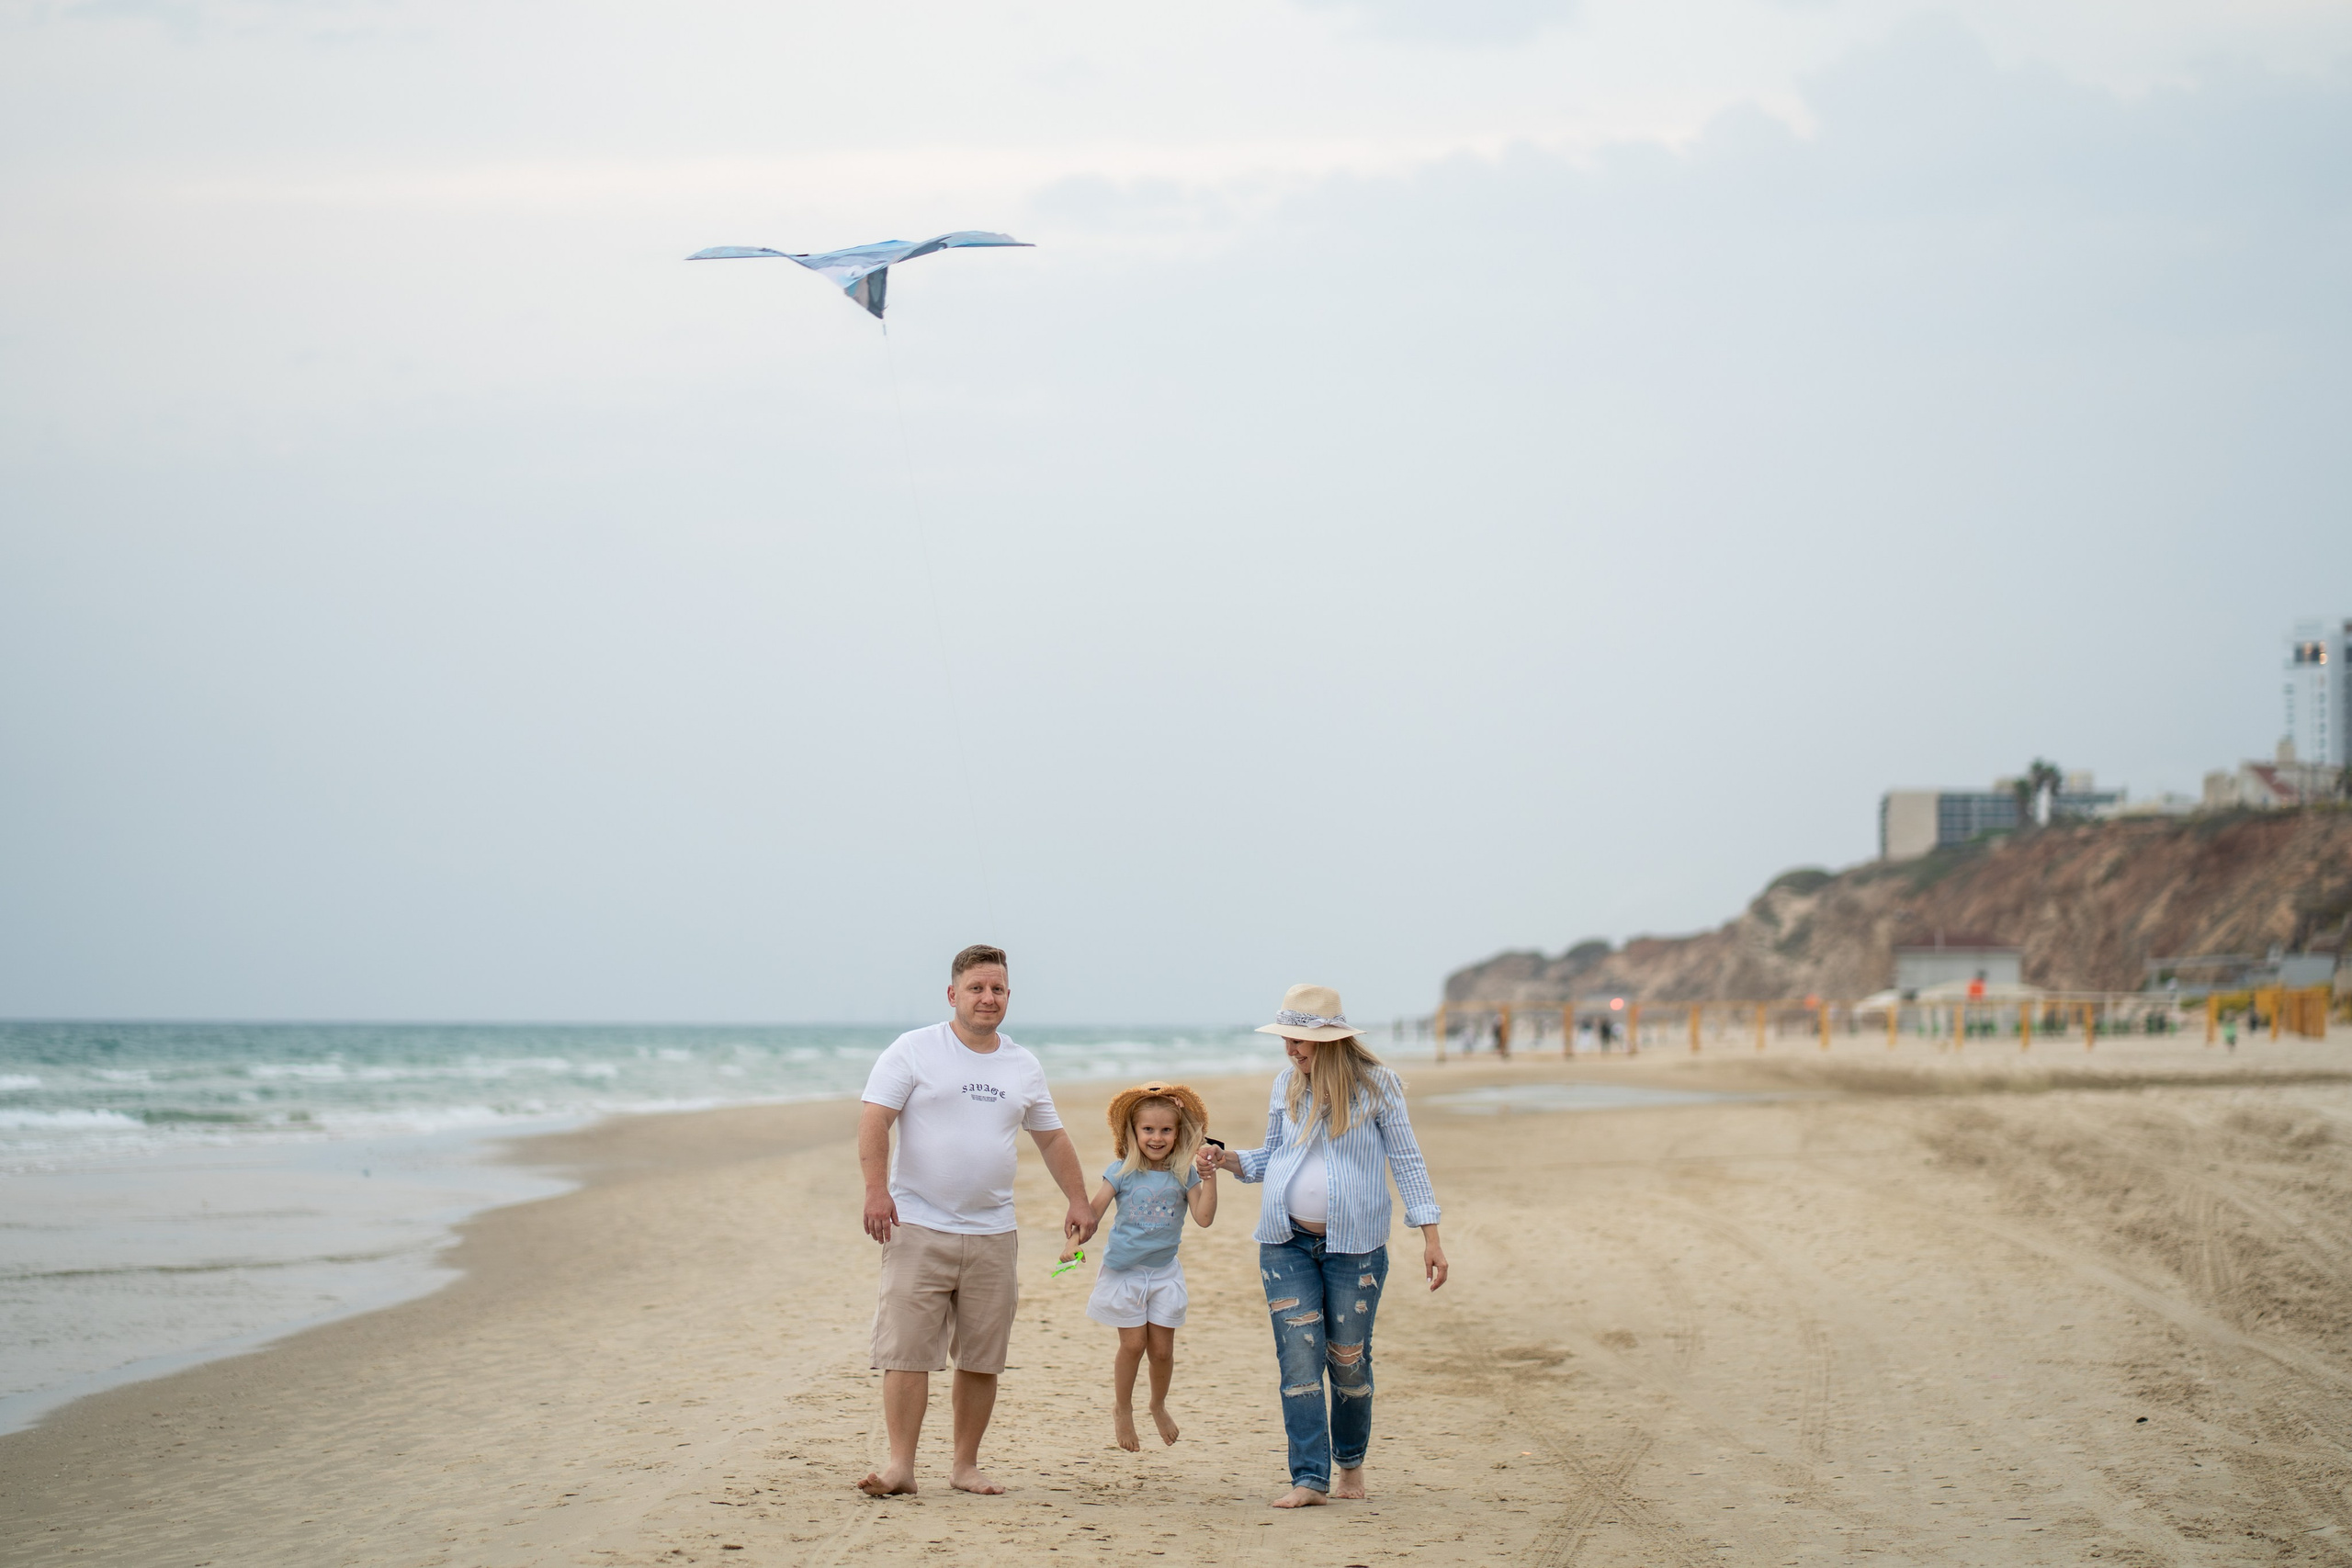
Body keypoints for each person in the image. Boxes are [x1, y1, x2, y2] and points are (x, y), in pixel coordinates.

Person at [855, 944, 1099, 1498]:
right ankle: (900, 1466)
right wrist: (875, 1191)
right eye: (976, 988)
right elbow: (875, 1118)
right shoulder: (914, 1050)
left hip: (993, 1231)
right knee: (907, 1350)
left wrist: (1078, 1200)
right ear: (953, 994)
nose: (987, 998)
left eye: (997, 990)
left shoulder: (1022, 1064)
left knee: (982, 1355)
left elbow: (1051, 1137)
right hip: (916, 1223)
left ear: (1008, 997)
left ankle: (965, 1466)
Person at [1197, 984, 1448, 1509]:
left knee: (1349, 1361)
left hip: (1355, 1249)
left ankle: (1350, 1465)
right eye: (1287, 1039)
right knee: (1299, 1361)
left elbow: (1407, 1160)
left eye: (1300, 1040)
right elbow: (1269, 1158)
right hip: (1284, 1245)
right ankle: (1309, 1478)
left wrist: (1430, 1235)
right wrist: (1226, 1160)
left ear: (1331, 1040)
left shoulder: (1379, 1086)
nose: (1291, 1049)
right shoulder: (1285, 1087)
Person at [1061, 1081, 1217, 1450]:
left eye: (1166, 1129)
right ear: (1133, 1132)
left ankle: (1157, 1404)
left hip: (1163, 1272)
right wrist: (1071, 1244)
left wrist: (1209, 1178)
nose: (1157, 1137)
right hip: (1124, 1272)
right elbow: (1092, 1214)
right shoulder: (1121, 1171)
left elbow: (1205, 1218)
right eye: (1148, 1129)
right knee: (1133, 1345)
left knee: (1162, 1351)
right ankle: (1123, 1408)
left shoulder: (1185, 1173)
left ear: (1178, 1133)